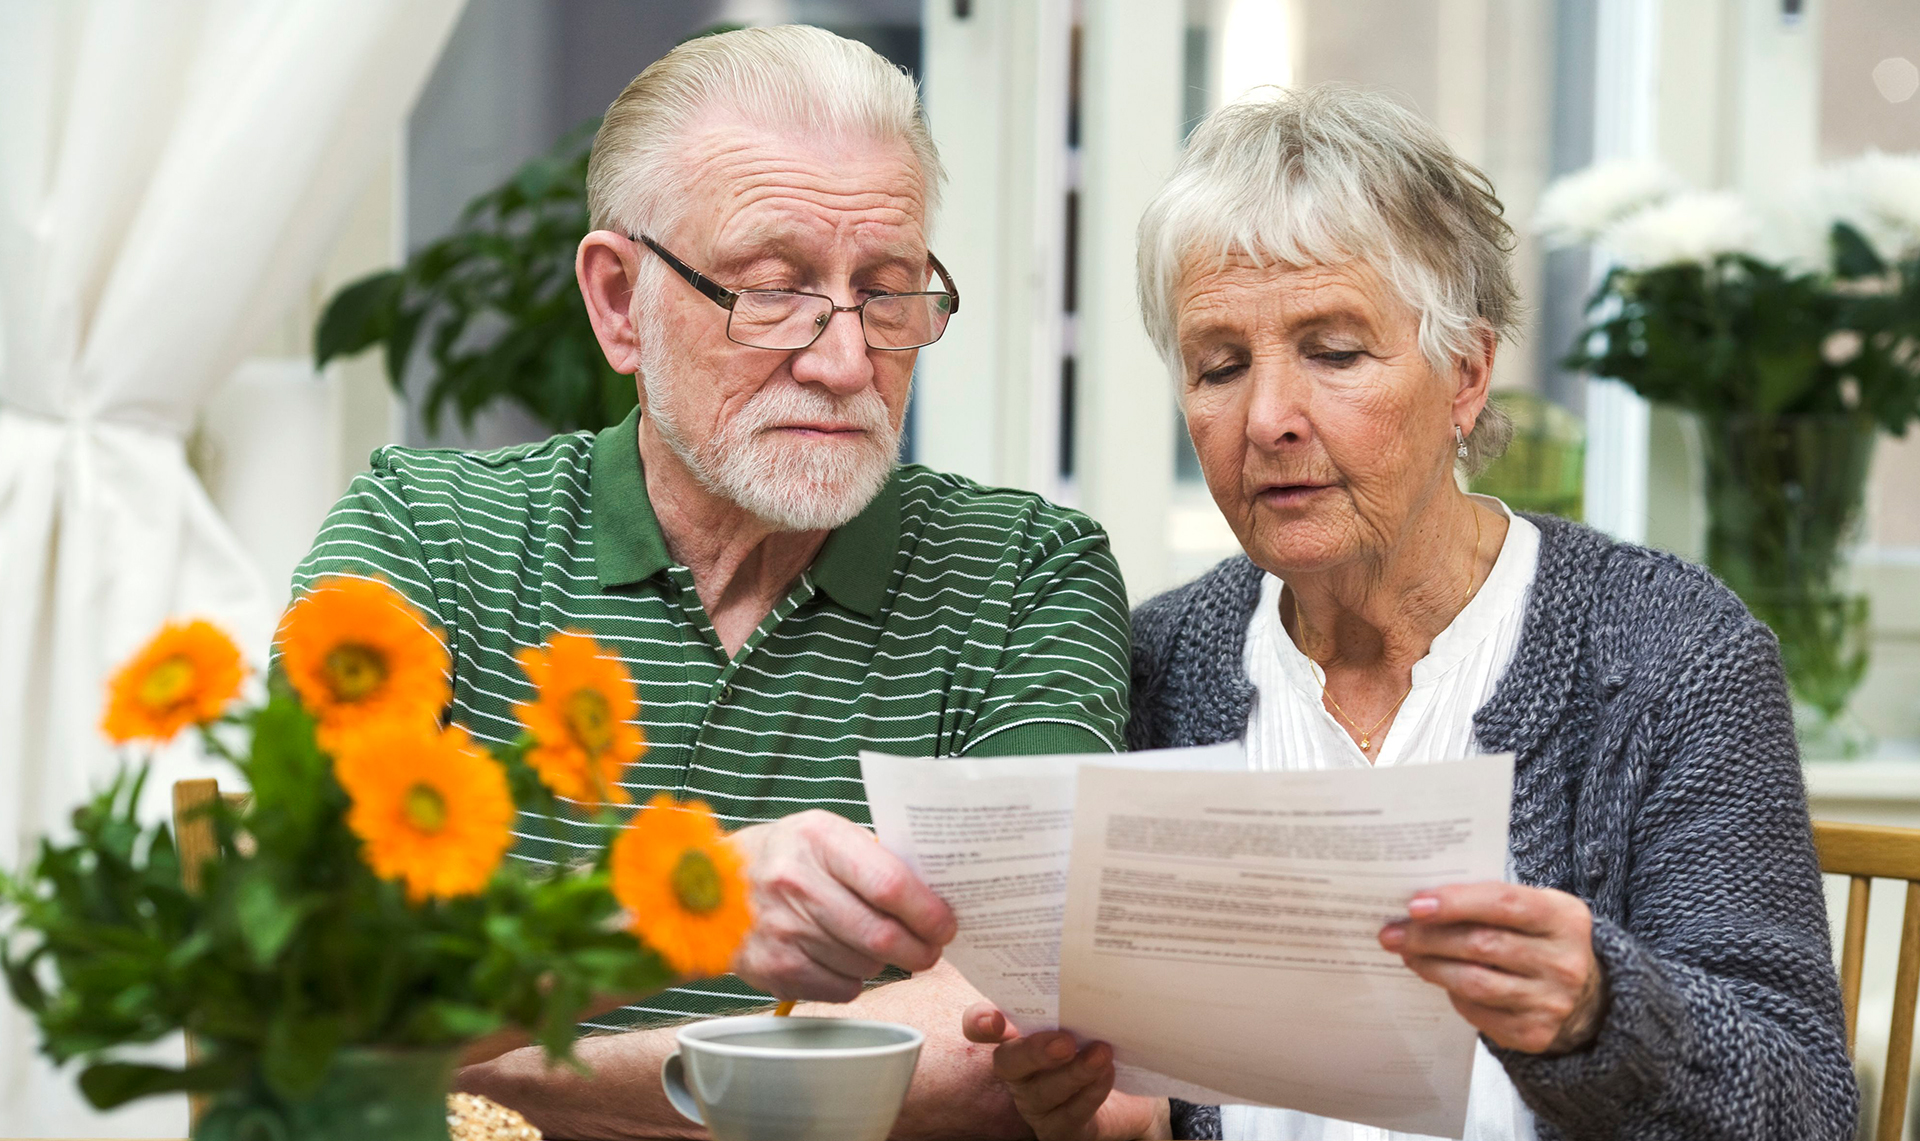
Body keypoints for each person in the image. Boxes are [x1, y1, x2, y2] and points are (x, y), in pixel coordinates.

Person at [962, 86, 1857, 1141]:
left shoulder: (1670, 654)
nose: (1268, 418)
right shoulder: (1153, 665)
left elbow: (1806, 1108)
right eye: (1219, 365)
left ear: (1467, 376)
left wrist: (1598, 1013)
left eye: (1334, 353)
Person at [288, 25, 1131, 1140]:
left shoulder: (1025, 571)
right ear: (616, 302)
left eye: (887, 293)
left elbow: (1015, 1044)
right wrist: (678, 909)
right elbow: (309, 983)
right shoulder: (422, 534)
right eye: (774, 290)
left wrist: (494, 1073)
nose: (843, 363)